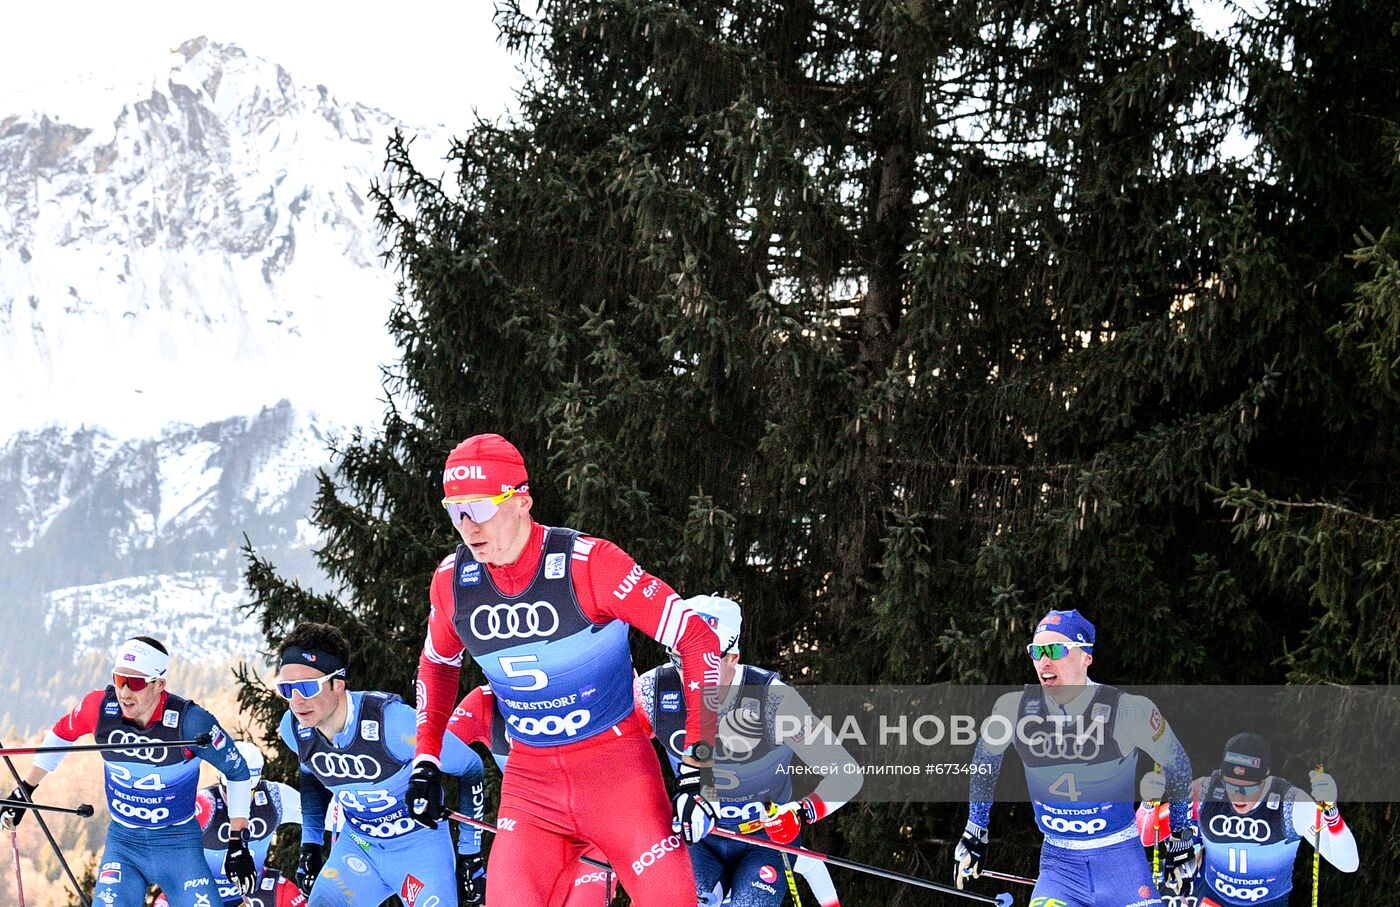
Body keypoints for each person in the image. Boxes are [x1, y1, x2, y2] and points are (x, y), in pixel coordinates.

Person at [412, 433, 723, 907]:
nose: (467, 526)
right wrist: (426, 761)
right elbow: (437, 665)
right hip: (531, 788)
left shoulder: (590, 564)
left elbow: (697, 638)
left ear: (521, 501)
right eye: (455, 511)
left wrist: (699, 770)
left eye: (479, 508)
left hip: (618, 776)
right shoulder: (452, 582)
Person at [954, 609, 1197, 907]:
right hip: (1059, 869)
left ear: (1086, 657)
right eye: (1036, 651)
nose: (1044, 661)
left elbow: (1177, 763)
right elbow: (985, 762)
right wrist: (975, 829)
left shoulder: (1128, 710)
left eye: (1056, 650)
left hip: (1122, 865)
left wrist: (1181, 835)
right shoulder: (1013, 708)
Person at [634, 595, 860, 907]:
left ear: (732, 658)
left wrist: (801, 812)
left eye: (706, 663)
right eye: (680, 660)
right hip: (700, 836)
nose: (692, 676)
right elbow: (617, 758)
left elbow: (846, 774)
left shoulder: (774, 701)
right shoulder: (652, 692)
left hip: (765, 839)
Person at [0, 636, 257, 907]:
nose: (124, 692)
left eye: (135, 683)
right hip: (124, 844)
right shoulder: (99, 708)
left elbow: (237, 771)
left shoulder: (191, 722)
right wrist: (24, 791)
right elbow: (61, 735)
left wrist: (237, 842)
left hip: (178, 846)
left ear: (159, 684)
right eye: (119, 679)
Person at [275, 622, 486, 907]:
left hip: (420, 850)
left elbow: (470, 767)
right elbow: (310, 773)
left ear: (338, 684)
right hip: (359, 849)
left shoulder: (393, 723)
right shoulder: (294, 729)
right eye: (286, 689)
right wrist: (310, 846)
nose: (297, 701)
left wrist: (470, 855)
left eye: (308, 688)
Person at [1136, 733, 1358, 907]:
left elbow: (1348, 864)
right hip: (1214, 900)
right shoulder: (1204, 792)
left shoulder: (1291, 804)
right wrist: (1148, 802)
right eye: (1231, 784)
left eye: (1249, 787)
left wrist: (1331, 812)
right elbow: (1146, 836)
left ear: (1266, 777)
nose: (1238, 795)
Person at [447, 683, 611, 906]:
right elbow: (430, 753)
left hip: (595, 832)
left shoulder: (577, 679)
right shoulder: (484, 700)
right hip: (532, 830)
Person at [192, 741, 303, 905]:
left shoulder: (274, 797)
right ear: (221, 781)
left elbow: (323, 816)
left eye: (246, 791)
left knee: (290, 897)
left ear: (257, 785)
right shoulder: (206, 804)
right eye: (230, 789)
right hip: (202, 894)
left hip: (254, 889)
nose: (238, 799)